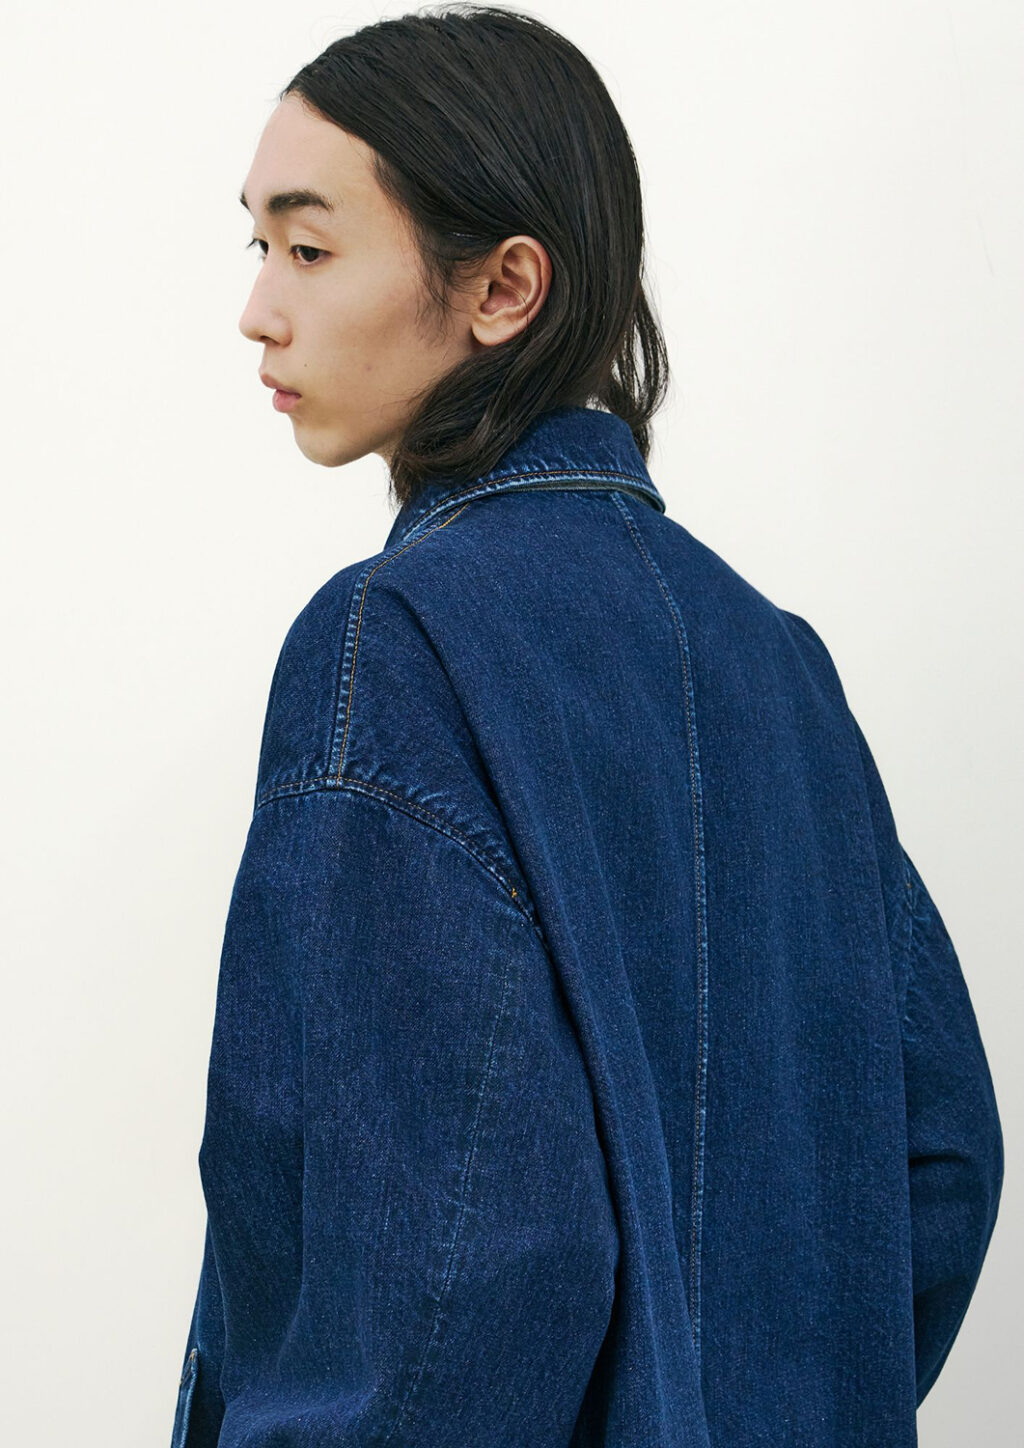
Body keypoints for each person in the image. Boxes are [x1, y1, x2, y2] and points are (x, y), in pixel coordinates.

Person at [169, 7, 1004, 1446]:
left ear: (503, 288)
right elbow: (941, 1159)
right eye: (259, 246)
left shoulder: (398, 643)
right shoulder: (781, 666)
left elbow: (451, 1275)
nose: (259, 308)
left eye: (308, 248)